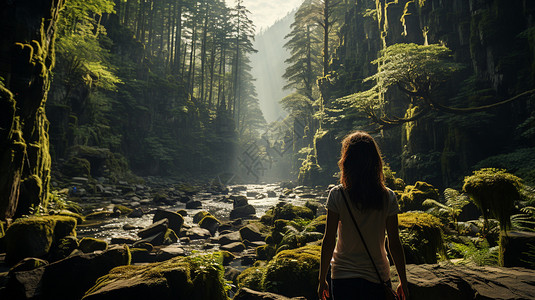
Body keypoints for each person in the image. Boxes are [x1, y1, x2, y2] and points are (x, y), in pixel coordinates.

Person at [317, 131, 409, 300]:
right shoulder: (388, 197)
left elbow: (328, 239)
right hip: (377, 277)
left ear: (347, 161)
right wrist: (403, 281)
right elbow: (394, 242)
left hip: (343, 277)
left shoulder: (337, 195)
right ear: (375, 162)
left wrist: (322, 278)